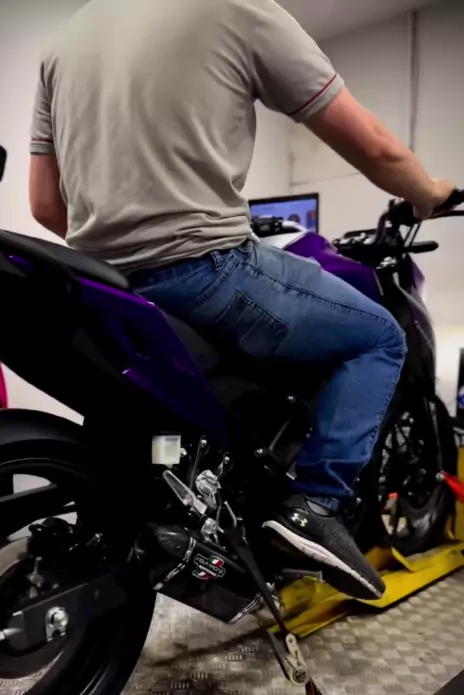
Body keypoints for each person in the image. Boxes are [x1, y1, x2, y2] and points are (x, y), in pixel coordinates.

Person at [29, 0, 455, 600]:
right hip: (207, 270)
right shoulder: (235, 8)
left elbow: (46, 205)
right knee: (378, 337)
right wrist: (428, 192)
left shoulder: (63, 43)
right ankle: (313, 506)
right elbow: (378, 149)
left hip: (102, 285)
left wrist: (126, 242)